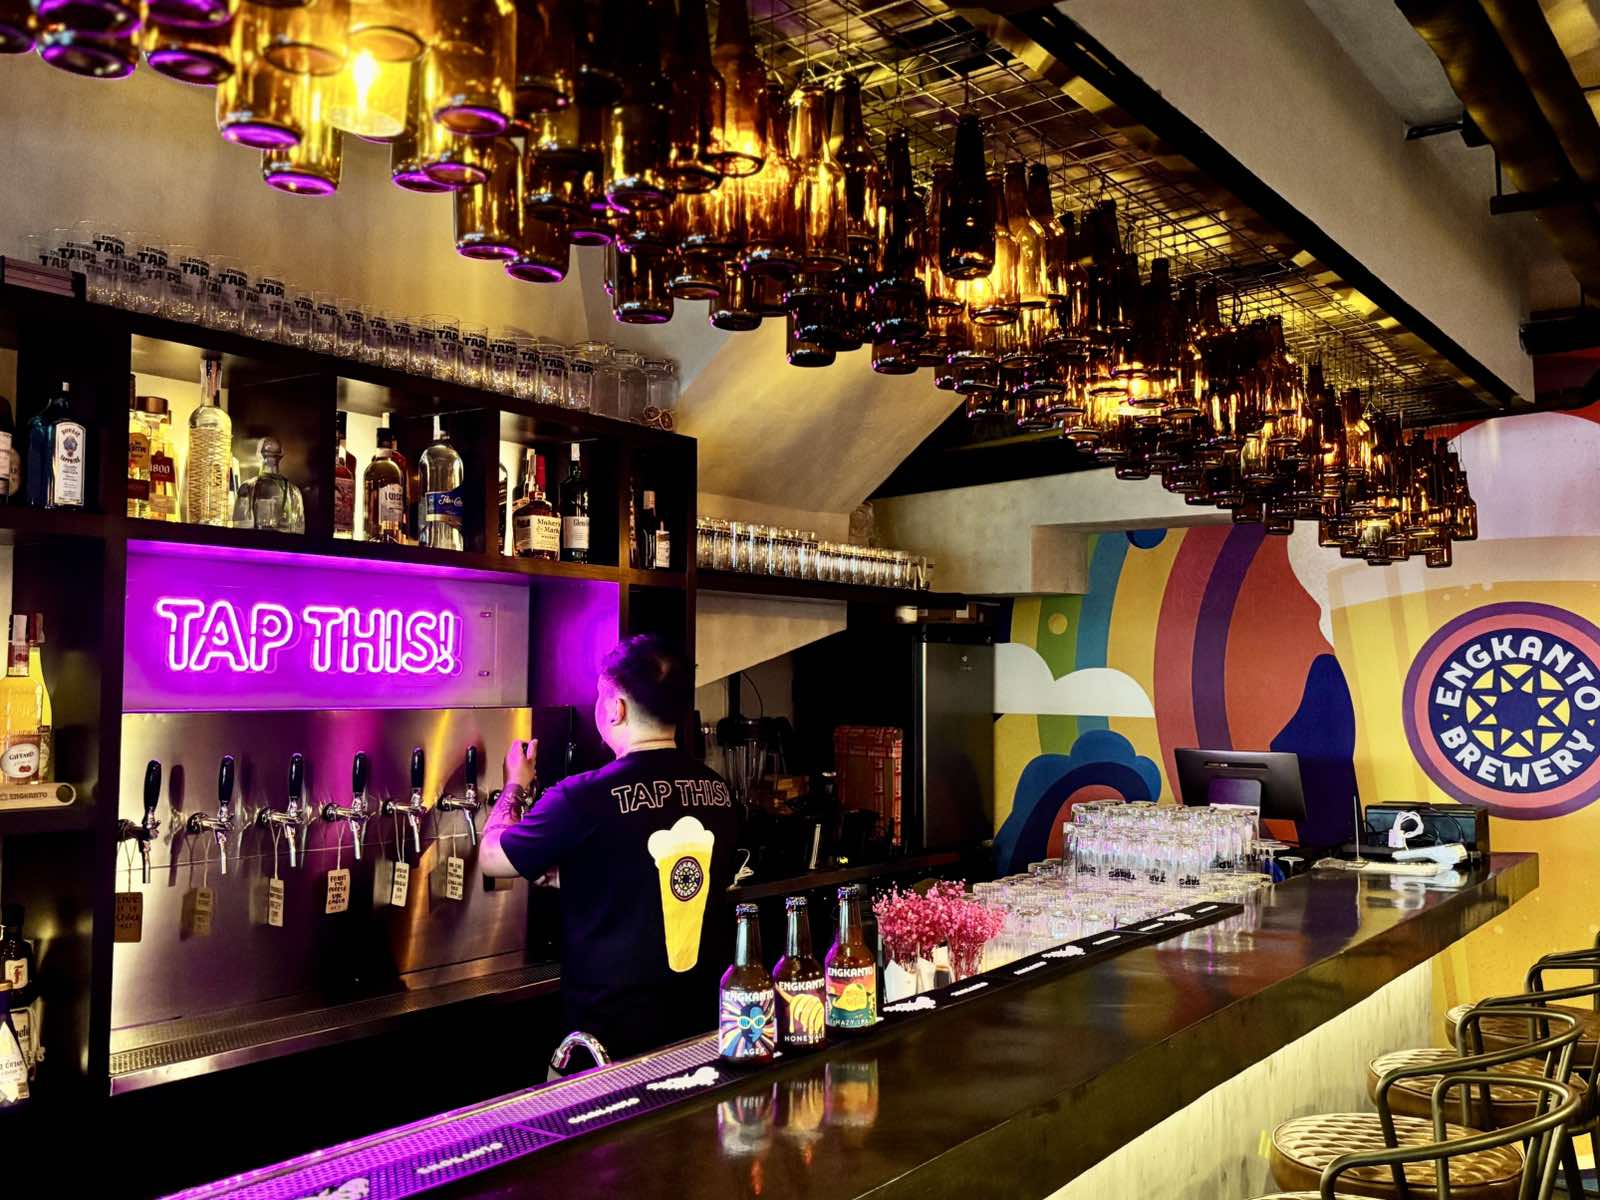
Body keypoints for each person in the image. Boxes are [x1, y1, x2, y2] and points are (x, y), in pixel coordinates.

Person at [479, 634, 740, 1060]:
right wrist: (581, 873)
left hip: (608, 1044)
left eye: (601, 694)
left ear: (616, 708)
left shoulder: (582, 796)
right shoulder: (718, 791)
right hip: (701, 1030)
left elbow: (492, 857)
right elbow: (659, 872)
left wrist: (515, 784)